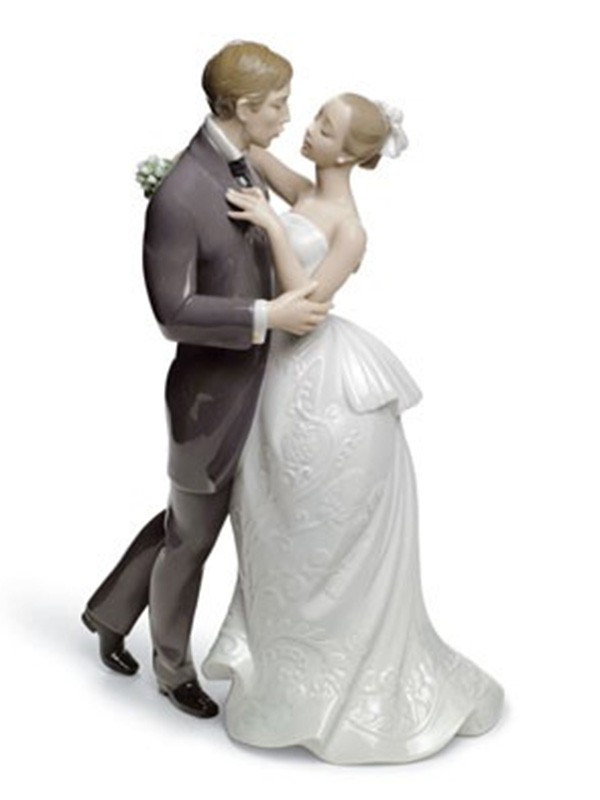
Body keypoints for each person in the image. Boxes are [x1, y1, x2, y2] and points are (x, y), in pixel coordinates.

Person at [202, 93, 504, 763]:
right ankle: (280, 662)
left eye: (324, 127)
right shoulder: (303, 190)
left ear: (348, 154)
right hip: (274, 377)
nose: (307, 129)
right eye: (312, 117)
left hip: (322, 376)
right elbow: (245, 147)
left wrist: (271, 227)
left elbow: (307, 305)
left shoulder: (349, 229)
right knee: (272, 514)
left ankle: (340, 673)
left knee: (321, 522)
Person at [81, 41, 331, 718]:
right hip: (210, 402)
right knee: (192, 539)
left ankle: (108, 610)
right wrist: (266, 315)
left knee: (183, 525)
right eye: (278, 104)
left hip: (267, 390)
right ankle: (172, 669)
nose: (287, 115)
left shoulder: (243, 161)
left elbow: (310, 207)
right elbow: (173, 312)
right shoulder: (180, 194)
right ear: (244, 107)